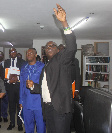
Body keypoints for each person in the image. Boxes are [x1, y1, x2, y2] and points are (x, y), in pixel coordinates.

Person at [27, 4, 77, 133]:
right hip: (48, 108)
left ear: (58, 49)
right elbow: (45, 88)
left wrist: (64, 23)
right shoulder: (45, 67)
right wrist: (33, 86)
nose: (49, 47)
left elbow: (71, 47)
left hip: (59, 108)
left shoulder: (61, 59)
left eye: (52, 45)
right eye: (46, 46)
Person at [19, 48, 46, 133]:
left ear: (35, 55)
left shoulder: (42, 67)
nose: (29, 54)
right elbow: (22, 85)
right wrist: (21, 101)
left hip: (39, 102)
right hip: (27, 101)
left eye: (31, 53)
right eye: (27, 53)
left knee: (41, 125)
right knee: (28, 125)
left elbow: (45, 85)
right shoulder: (23, 68)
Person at [4, 48, 25, 131]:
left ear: (16, 52)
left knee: (19, 107)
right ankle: (12, 123)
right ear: (9, 54)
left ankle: (19, 124)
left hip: (19, 87)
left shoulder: (22, 61)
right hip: (10, 87)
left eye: (14, 51)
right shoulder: (6, 62)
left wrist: (18, 78)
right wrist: (8, 80)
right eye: (11, 52)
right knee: (11, 106)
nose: (13, 53)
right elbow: (5, 75)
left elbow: (23, 74)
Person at [0, 51, 8, 123]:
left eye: (1, 55)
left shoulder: (6, 63)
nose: (0, 56)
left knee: (5, 102)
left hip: (6, 85)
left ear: (3, 56)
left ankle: (5, 116)